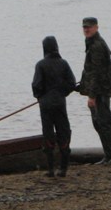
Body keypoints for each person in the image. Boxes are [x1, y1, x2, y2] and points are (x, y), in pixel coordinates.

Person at [79, 16, 111, 166]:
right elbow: (90, 70)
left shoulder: (97, 45)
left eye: (89, 27)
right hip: (98, 90)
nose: (86, 29)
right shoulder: (91, 42)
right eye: (85, 27)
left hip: (101, 92)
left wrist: (92, 96)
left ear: (96, 27)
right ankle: (108, 155)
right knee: (99, 123)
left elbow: (97, 73)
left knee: (106, 123)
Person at [32, 35, 78, 177]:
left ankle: (51, 169)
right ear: (56, 47)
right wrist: (62, 92)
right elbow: (72, 83)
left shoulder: (40, 65)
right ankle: (63, 168)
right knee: (63, 131)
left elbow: (36, 85)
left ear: (44, 49)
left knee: (48, 133)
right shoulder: (63, 63)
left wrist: (39, 97)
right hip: (59, 102)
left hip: (45, 104)